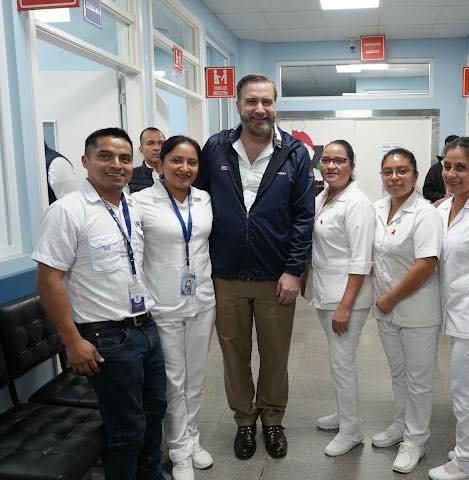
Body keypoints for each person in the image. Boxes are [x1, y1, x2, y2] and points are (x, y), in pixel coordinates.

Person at [32, 127, 166, 480]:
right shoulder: (66, 211)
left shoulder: (131, 206)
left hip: (146, 328)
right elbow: (49, 281)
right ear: (85, 160)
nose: (116, 165)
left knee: (154, 415)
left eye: (124, 158)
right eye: (105, 156)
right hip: (106, 338)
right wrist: (72, 341)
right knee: (126, 431)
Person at [194, 73, 314, 460]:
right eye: (251, 101)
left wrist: (294, 270)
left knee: (275, 355)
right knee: (234, 354)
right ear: (238, 105)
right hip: (226, 275)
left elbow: (303, 217)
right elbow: (197, 201)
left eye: (266, 101)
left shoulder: (295, 153)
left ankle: (273, 419)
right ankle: (244, 421)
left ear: (276, 105)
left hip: (276, 276)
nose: (259, 109)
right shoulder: (216, 148)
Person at [132, 136, 215, 480]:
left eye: (192, 162)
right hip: (163, 304)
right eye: (177, 161)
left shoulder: (204, 198)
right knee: (173, 380)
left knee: (196, 376)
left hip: (202, 299)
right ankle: (179, 450)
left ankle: (192, 437)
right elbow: (134, 256)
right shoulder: (140, 202)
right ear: (161, 163)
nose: (185, 168)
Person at [371, 148, 442, 474]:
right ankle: (401, 424)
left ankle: (415, 439)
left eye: (402, 171)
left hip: (416, 310)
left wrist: (391, 298)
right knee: (398, 373)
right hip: (386, 309)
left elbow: (426, 264)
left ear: (415, 175)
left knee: (419, 379)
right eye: (388, 171)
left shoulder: (425, 213)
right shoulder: (377, 208)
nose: (394, 177)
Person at [303, 140, 375, 456]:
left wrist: (345, 306)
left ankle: (351, 431)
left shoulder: (357, 203)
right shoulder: (322, 197)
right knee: (337, 361)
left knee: (342, 362)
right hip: (326, 292)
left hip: (347, 298)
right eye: (327, 160)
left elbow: (361, 260)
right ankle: (345, 414)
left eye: (340, 160)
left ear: (352, 166)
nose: (332, 166)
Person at [428, 137, 469, 480]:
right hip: (454, 310)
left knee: (467, 392)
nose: (451, 174)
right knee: (467, 388)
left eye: (461, 168)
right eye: (447, 166)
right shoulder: (442, 209)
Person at [422, 134, 459, 203]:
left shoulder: (466, 169)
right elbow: (426, 192)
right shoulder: (434, 169)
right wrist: (443, 196)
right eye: (447, 168)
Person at [129, 127, 165, 193]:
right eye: (150, 143)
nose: (157, 148)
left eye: (161, 143)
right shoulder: (130, 176)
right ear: (141, 149)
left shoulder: (175, 173)